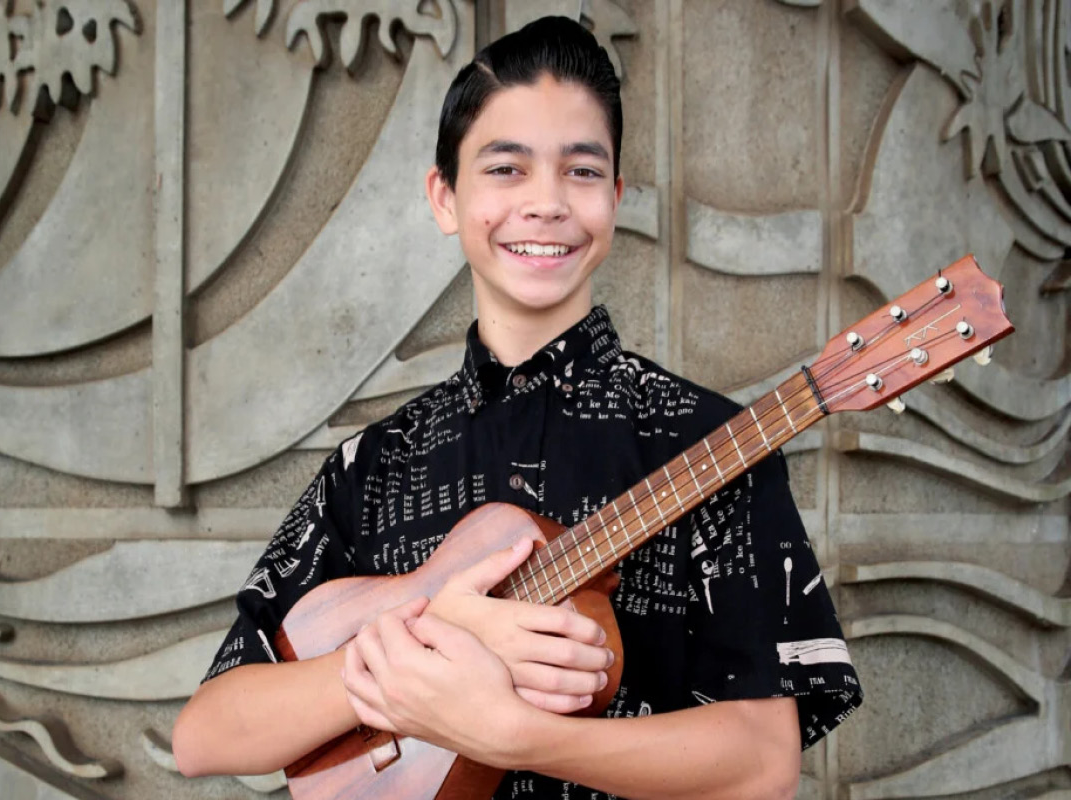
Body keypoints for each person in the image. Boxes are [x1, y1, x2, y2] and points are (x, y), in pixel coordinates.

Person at [173, 16, 862, 799]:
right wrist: (423, 648)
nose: (545, 204)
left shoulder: (714, 440)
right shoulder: (372, 466)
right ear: (445, 197)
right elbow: (205, 734)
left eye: (580, 171)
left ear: (614, 198)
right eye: (505, 170)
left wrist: (514, 736)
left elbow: (762, 765)